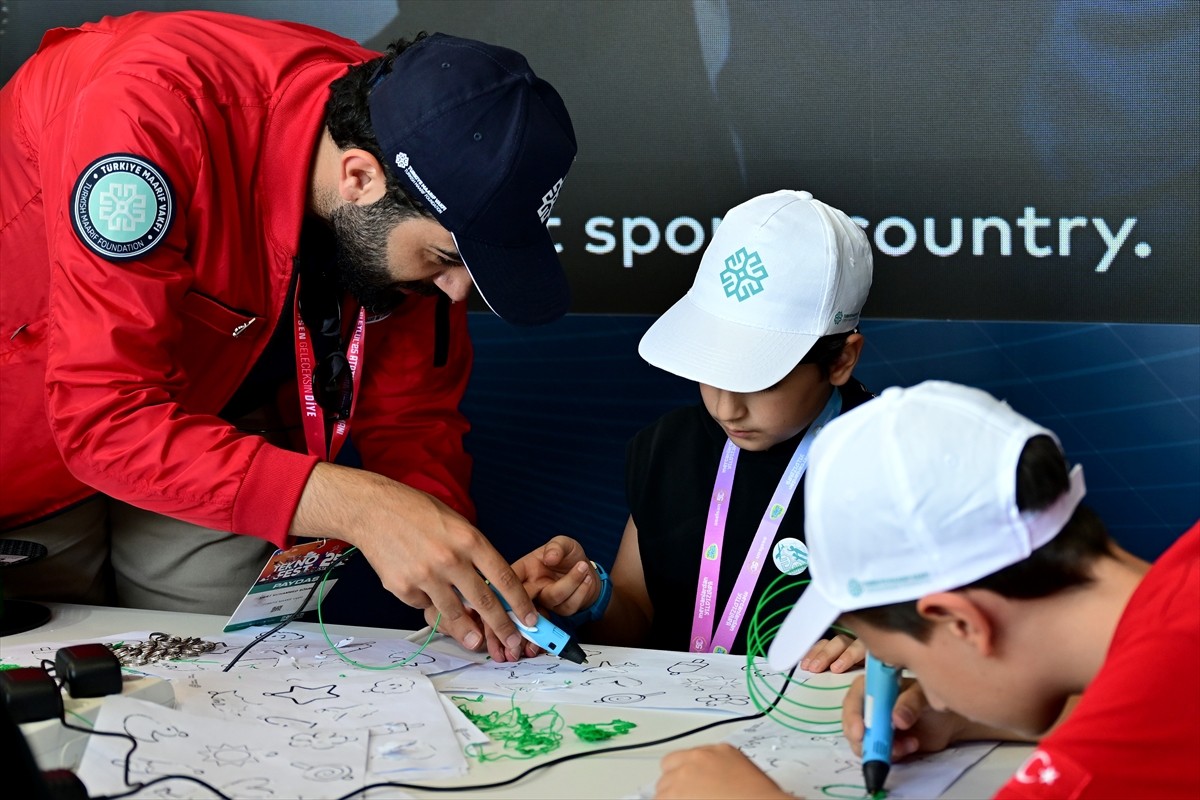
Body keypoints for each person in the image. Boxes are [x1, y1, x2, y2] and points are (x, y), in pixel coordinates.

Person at [0, 10, 578, 658]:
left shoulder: (419, 149)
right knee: (59, 689)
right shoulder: (144, 113)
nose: (455, 294)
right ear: (359, 178)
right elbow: (101, 417)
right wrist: (360, 507)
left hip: (208, 419)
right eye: (446, 259)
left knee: (219, 678)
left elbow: (413, 414)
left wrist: (451, 563)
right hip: (32, 442)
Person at [654, 381, 1200, 799]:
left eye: (894, 661)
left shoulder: (1108, 752)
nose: (927, 692)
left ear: (961, 622)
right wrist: (967, 715)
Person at [504, 190, 873, 668]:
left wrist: (891, 656)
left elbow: (956, 640)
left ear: (842, 359)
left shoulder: (905, 467)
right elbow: (637, 620)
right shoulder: (668, 447)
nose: (725, 407)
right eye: (710, 364)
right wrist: (594, 595)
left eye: (758, 377)